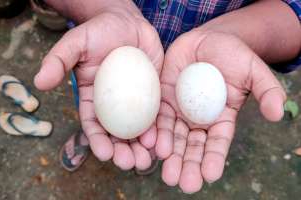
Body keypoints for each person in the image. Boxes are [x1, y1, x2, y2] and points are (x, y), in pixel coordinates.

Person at [34, 0, 301, 194]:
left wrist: (235, 35)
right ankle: (103, 135)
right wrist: (107, 9)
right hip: (104, 51)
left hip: (197, 64)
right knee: (97, 105)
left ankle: (147, 149)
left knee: (152, 131)